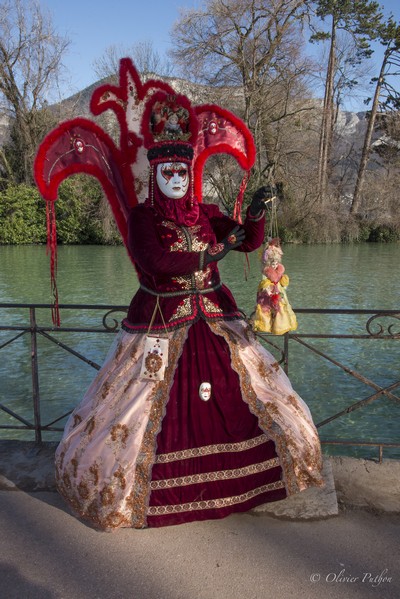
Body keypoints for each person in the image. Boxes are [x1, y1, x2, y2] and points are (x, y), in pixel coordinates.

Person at [34, 58, 322, 530]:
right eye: (167, 171)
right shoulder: (144, 219)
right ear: (156, 174)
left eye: (182, 171)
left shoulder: (206, 212)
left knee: (249, 397)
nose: (176, 178)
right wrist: (214, 253)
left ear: (192, 172)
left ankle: (247, 480)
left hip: (216, 317)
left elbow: (247, 241)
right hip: (159, 324)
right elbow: (157, 263)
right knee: (143, 410)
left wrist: (253, 217)